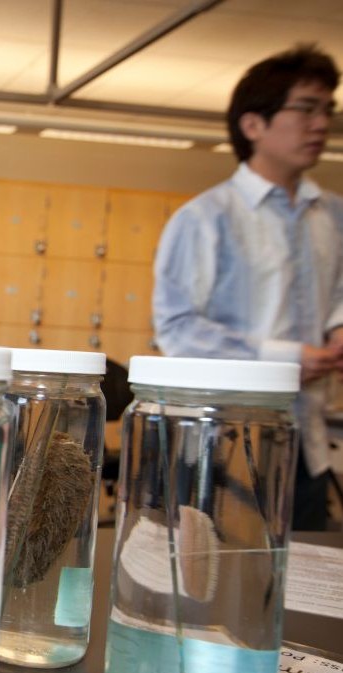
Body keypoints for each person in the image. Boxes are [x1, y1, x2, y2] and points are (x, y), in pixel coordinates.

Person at [153, 43, 343, 531]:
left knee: (299, 586)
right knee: (214, 586)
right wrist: (282, 358)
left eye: (328, 109)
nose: (321, 123)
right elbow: (176, 329)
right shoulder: (205, 219)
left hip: (309, 442)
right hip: (224, 446)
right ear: (253, 124)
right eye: (305, 109)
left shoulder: (335, 216)